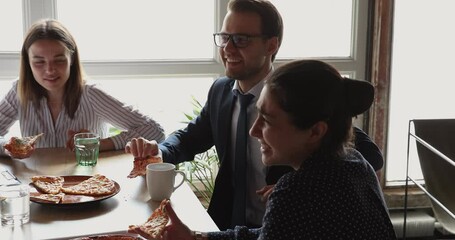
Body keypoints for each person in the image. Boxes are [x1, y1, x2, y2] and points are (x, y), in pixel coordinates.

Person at [125, 0, 385, 230]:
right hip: (229, 222)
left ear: (271, 44)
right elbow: (191, 137)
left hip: (291, 222)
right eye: (224, 37)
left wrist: (300, 188)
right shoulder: (221, 91)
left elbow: (365, 156)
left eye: (240, 39)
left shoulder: (297, 97)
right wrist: (158, 152)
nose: (228, 48)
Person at [161, 59, 397, 240]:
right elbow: (272, 231)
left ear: (315, 131)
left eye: (267, 120)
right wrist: (197, 237)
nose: (254, 130)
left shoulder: (296, 190)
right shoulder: (355, 162)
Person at [0, 19, 165, 159]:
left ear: (71, 59)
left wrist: (99, 144)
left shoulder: (92, 94)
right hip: (35, 187)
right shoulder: (18, 91)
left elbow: (155, 130)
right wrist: (9, 147)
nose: (49, 70)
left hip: (88, 185)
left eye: (59, 60)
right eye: (39, 61)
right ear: (27, 62)